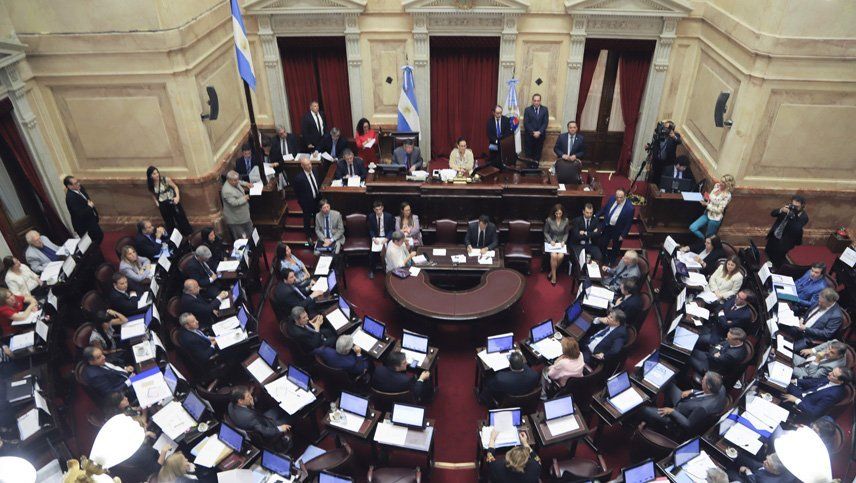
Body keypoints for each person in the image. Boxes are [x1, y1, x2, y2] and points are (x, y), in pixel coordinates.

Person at [637, 372, 726, 439]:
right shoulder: (720, 388)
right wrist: (692, 391)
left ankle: (650, 424)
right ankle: (660, 405)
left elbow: (688, 424)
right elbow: (705, 393)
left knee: (644, 409)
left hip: (677, 418)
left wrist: (672, 411)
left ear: (709, 386)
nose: (702, 380)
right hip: (686, 402)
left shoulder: (703, 408)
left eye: (704, 380)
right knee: (669, 384)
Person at [227, 386, 292, 451]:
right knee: (290, 416)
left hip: (260, 419)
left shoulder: (230, 405)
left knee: (278, 409)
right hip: (268, 428)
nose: (251, 397)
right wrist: (280, 429)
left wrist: (251, 405)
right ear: (240, 401)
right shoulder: (250, 417)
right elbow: (265, 432)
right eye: (248, 396)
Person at [784, 288, 842, 352]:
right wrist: (802, 319)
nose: (819, 303)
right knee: (780, 330)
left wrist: (805, 329)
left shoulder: (836, 316)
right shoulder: (821, 301)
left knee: (788, 349)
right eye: (819, 300)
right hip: (800, 328)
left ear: (830, 302)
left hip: (809, 338)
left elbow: (826, 334)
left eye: (822, 302)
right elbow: (808, 312)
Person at [784, 367, 851, 420]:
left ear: (840, 381)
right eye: (832, 371)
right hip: (804, 394)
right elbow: (813, 382)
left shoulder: (833, 395)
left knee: (781, 390)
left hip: (803, 405)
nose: (829, 373)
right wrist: (796, 381)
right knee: (785, 381)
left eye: (833, 375)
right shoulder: (831, 379)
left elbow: (814, 413)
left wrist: (796, 400)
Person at [146, 166, 192, 235]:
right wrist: (157, 203)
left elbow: (175, 187)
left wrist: (177, 197)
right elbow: (152, 194)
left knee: (181, 219)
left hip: (172, 201)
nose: (157, 175)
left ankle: (187, 234)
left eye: (157, 172)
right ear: (150, 176)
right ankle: (174, 237)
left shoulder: (165, 180)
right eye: (154, 174)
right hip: (163, 204)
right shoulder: (151, 184)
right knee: (169, 222)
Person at [765, 195, 808, 268]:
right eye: (793, 202)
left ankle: (776, 269)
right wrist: (781, 210)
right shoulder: (788, 208)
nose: (794, 205)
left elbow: (796, 228)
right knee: (768, 251)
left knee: (778, 257)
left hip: (786, 241)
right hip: (775, 235)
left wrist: (791, 215)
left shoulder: (804, 217)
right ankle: (768, 266)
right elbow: (773, 214)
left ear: (802, 205)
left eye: (797, 203)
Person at [690, 174, 734, 239]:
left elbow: (719, 210)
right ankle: (704, 240)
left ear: (727, 184)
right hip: (707, 213)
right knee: (693, 228)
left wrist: (707, 205)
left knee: (709, 237)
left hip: (715, 219)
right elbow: (711, 199)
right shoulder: (717, 186)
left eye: (723, 182)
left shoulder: (727, 195)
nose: (720, 183)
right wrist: (706, 200)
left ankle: (706, 242)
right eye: (721, 180)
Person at [597, 188, 634, 264]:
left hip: (618, 230)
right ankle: (604, 259)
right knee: (602, 244)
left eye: (621, 197)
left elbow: (629, 223)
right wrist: (596, 216)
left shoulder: (630, 208)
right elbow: (605, 209)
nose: (618, 199)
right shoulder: (612, 199)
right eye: (617, 197)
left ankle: (612, 262)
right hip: (607, 226)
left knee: (615, 248)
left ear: (625, 196)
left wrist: (623, 235)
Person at [63, 175, 103, 244]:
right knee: (93, 242)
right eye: (75, 183)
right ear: (69, 186)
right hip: (84, 226)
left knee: (99, 236)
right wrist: (90, 207)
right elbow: (79, 214)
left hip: (91, 220)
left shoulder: (80, 188)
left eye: (77, 181)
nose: (78, 184)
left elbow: (87, 199)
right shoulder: (70, 198)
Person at [293, 158, 322, 243]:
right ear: (302, 166)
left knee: (317, 216)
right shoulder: (299, 178)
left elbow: (318, 183)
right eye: (307, 165)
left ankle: (318, 231)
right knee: (307, 219)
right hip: (307, 203)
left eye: (310, 164)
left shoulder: (315, 170)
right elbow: (297, 193)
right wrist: (302, 204)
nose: (309, 166)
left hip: (317, 199)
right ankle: (308, 235)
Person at [221, 170, 254, 240]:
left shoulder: (234, 182)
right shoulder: (227, 191)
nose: (237, 181)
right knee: (241, 238)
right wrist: (244, 198)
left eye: (237, 179)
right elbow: (234, 203)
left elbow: (239, 182)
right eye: (235, 180)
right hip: (236, 220)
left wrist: (246, 184)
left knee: (251, 233)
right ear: (229, 180)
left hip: (244, 216)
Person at [368, 199, 395, 278]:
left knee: (390, 252)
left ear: (382, 208)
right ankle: (372, 270)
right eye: (376, 210)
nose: (378, 211)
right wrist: (373, 238)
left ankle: (388, 270)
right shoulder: (371, 217)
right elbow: (371, 230)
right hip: (376, 238)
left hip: (386, 237)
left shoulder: (388, 216)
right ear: (374, 210)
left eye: (380, 209)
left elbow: (391, 230)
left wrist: (387, 238)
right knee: (372, 253)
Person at [544, 203, 570, 285]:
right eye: (556, 213)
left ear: (562, 213)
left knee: (561, 256)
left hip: (561, 243)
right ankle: (554, 277)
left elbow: (566, 233)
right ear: (554, 213)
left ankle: (551, 272)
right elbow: (545, 232)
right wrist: (550, 240)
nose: (558, 215)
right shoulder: (549, 220)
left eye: (560, 213)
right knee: (554, 256)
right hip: (552, 242)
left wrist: (564, 241)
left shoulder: (566, 220)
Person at [522, 93, 548, 160]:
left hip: (540, 137)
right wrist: (533, 132)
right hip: (529, 137)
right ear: (532, 101)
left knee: (537, 155)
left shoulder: (545, 109)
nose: (536, 102)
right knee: (528, 155)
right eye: (535, 100)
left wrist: (539, 132)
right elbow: (526, 123)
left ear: (540, 101)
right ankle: (529, 167)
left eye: (538, 101)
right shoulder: (527, 110)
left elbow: (545, 123)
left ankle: (536, 166)